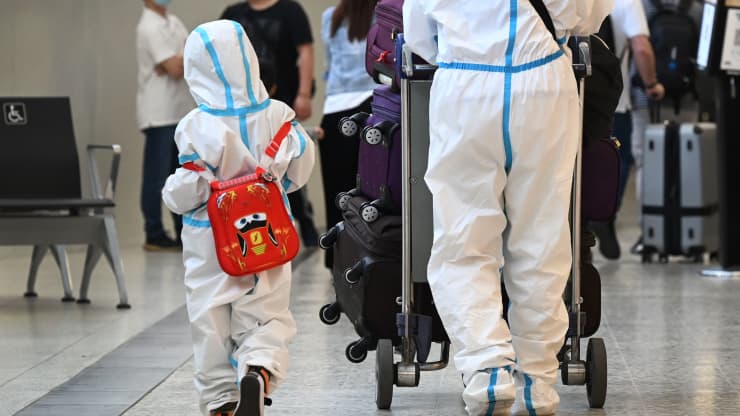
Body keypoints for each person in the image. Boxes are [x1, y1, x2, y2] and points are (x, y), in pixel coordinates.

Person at [403, 1, 612, 415]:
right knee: (542, 239)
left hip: (464, 85)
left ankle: (488, 371)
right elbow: (589, 17)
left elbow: (420, 38)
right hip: (545, 83)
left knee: (464, 240)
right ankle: (536, 383)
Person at [161, 20, 315, 416]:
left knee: (210, 318)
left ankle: (220, 400)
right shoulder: (279, 115)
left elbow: (188, 189)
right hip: (269, 234)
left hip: (210, 239)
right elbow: (299, 170)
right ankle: (258, 369)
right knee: (266, 313)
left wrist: (173, 194)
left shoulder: (196, 125)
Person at [221, 0, 320, 247]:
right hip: (241, 104)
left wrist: (304, 94)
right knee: (246, 164)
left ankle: (302, 219)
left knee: (281, 163)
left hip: (280, 98)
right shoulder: (233, 13)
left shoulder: (290, 10)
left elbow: (305, 51)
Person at [587, 0, 665, 259]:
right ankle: (604, 214)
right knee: (617, 160)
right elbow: (641, 47)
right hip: (612, 101)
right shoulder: (627, 2)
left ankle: (578, 220)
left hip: (568, 96)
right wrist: (652, 83)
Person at [628, 0, 703, 255]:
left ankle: (651, 235)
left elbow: (639, 48)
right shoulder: (696, 8)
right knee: (688, 164)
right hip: (688, 98)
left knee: (646, 164)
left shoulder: (643, 6)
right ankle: (689, 235)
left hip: (645, 99)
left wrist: (650, 84)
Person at [319, 0, 378, 268]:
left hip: (333, 113)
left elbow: (330, 66)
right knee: (371, 192)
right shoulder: (383, 12)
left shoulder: (330, 17)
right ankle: (371, 256)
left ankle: (335, 257)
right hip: (372, 108)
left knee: (337, 192)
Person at [136, 0, 194, 251]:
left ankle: (183, 230)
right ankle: (154, 231)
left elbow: (194, 56)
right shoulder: (148, 27)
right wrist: (179, 61)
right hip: (159, 113)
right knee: (156, 176)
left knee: (180, 173)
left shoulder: (174, 21)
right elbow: (175, 69)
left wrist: (180, 60)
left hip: (179, 111)